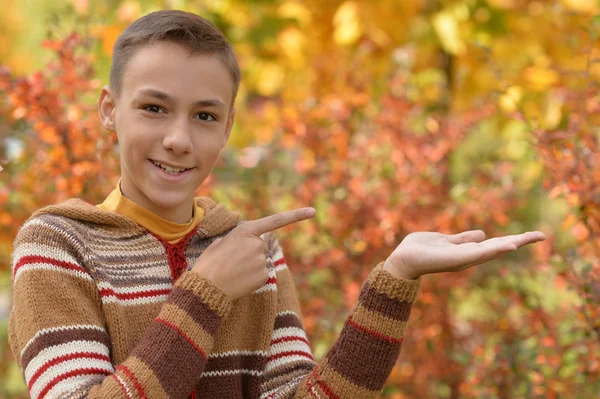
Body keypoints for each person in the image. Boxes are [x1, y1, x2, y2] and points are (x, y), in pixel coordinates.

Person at [8, 10, 546, 399]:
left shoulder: (250, 248)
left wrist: (396, 279)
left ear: (228, 127)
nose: (179, 139)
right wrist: (206, 293)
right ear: (109, 109)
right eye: (154, 107)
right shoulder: (58, 245)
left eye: (204, 116)